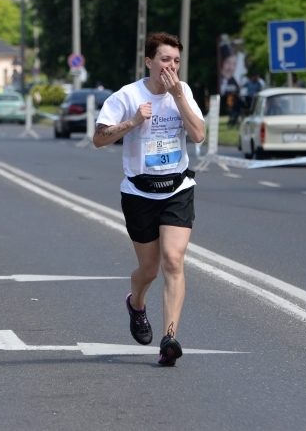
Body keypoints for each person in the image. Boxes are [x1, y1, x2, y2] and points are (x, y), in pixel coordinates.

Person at [93, 31, 205, 366]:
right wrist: (134, 121)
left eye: (176, 61)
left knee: (173, 260)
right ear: (149, 61)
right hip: (140, 192)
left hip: (177, 189)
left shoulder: (181, 93)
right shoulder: (126, 96)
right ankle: (136, 304)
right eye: (164, 59)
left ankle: (169, 338)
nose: (170, 66)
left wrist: (179, 97)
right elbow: (99, 138)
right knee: (149, 269)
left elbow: (198, 135)